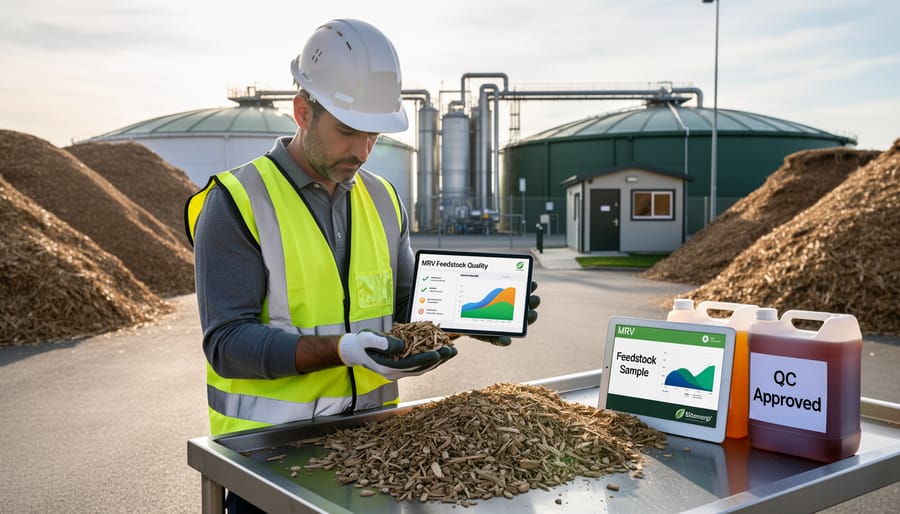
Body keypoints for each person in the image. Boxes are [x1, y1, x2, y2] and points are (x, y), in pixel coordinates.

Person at [185, 18, 538, 513]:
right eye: (347, 131)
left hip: (374, 452)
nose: (361, 150)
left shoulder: (382, 197)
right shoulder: (238, 201)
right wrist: (344, 350)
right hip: (268, 460)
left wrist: (474, 312)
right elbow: (226, 344)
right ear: (303, 111)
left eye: (373, 134)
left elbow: (404, 305)